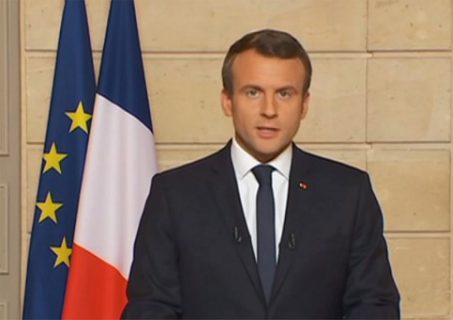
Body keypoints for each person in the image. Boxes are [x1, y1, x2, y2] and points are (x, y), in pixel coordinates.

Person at [122, 29, 400, 319]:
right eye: (253, 92)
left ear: (304, 104)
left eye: (284, 94)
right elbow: (151, 308)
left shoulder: (348, 193)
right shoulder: (174, 195)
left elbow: (374, 305)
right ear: (228, 101)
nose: (269, 110)